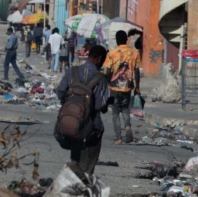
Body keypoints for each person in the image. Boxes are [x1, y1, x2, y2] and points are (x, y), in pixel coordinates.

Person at [55, 44, 111, 175]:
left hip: (71, 124)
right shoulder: (100, 78)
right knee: (87, 167)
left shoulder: (72, 71)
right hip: (91, 128)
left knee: (75, 160)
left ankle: (72, 185)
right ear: (98, 59)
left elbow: (60, 93)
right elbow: (99, 105)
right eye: (103, 60)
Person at [103, 30, 140, 144]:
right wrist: (137, 86)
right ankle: (127, 126)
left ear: (117, 40)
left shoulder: (111, 53)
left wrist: (106, 81)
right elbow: (137, 72)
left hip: (114, 88)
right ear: (126, 40)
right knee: (125, 109)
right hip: (128, 87)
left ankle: (118, 137)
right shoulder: (135, 53)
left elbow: (108, 70)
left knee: (115, 112)